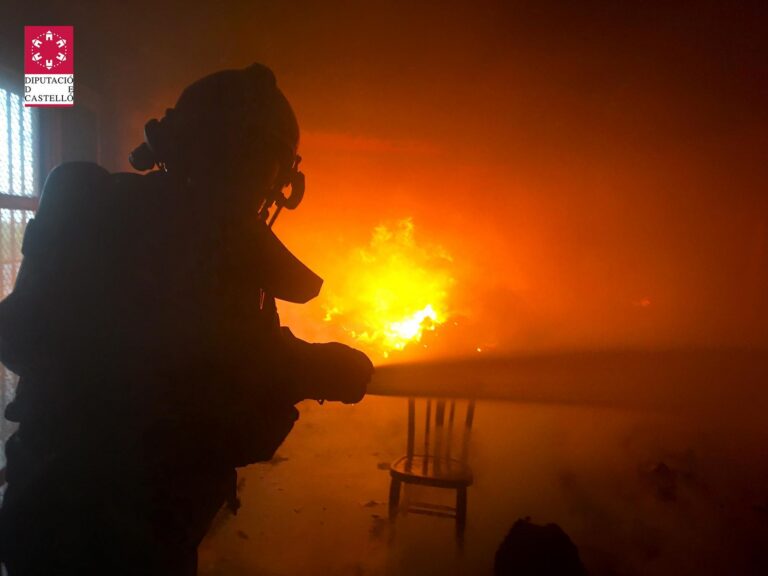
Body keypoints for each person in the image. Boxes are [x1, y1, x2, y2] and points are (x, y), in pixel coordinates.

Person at [0, 63, 373, 575]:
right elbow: (205, 372)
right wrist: (308, 368)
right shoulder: (221, 244)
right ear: (273, 174)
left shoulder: (109, 210)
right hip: (129, 537)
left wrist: (297, 363)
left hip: (44, 513)